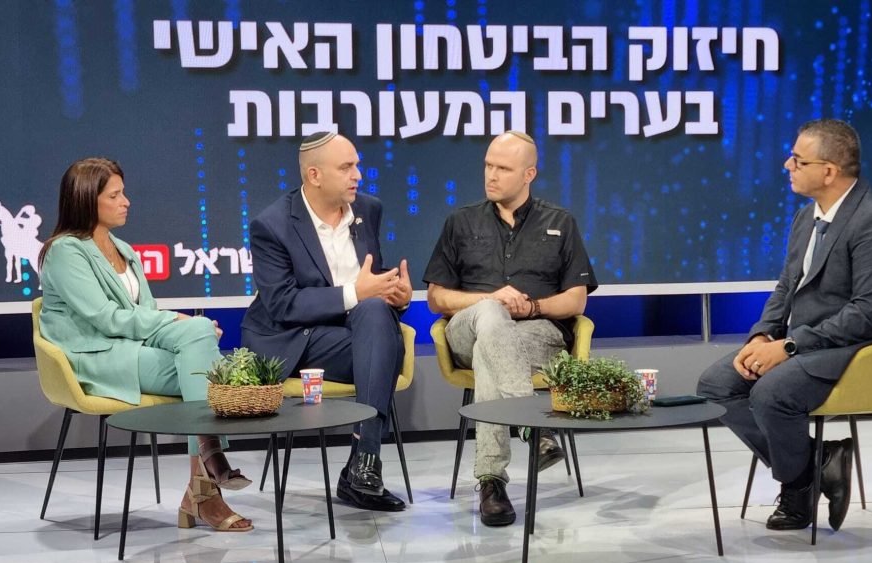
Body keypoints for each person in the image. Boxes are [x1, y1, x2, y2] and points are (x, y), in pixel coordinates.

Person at [697, 119, 872, 532]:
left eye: (798, 160)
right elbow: (787, 286)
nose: (787, 165)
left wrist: (788, 347)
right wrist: (763, 334)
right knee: (716, 384)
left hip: (860, 347)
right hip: (809, 340)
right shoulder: (806, 217)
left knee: (771, 392)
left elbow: (869, 313)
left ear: (828, 171)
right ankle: (815, 465)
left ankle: (797, 492)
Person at [38, 157, 252, 532]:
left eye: (123, 193)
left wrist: (193, 329)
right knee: (205, 370)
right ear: (87, 199)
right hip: (98, 357)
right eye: (115, 195)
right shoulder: (65, 251)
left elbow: (146, 314)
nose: (126, 202)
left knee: (200, 336)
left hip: (134, 349)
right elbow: (106, 319)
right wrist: (178, 321)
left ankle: (205, 477)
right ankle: (206, 480)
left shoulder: (124, 249)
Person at [424, 131, 598, 526]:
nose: (491, 174)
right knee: (489, 315)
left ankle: (491, 482)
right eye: (488, 165)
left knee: (491, 349)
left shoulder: (560, 222)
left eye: (502, 168)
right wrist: (492, 301)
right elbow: (436, 298)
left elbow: (576, 301)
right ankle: (530, 425)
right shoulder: (460, 222)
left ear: (528, 174)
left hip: (537, 335)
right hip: (467, 329)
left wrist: (532, 306)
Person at [241, 132, 412, 512]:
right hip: (296, 338)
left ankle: (363, 462)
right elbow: (283, 303)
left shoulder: (368, 209)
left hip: (355, 334)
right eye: (346, 167)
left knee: (376, 318)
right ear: (314, 175)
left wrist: (395, 296)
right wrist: (357, 292)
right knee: (380, 345)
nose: (358, 175)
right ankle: (363, 465)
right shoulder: (272, 225)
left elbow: (371, 279)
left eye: (357, 166)